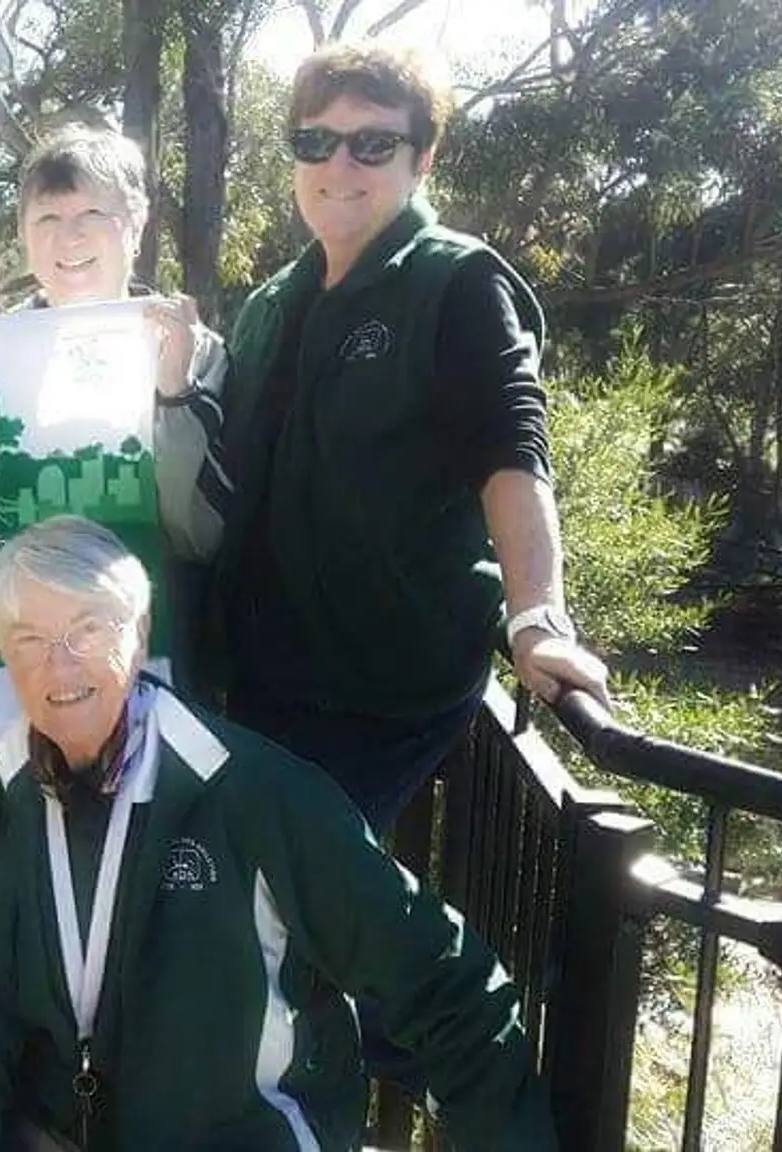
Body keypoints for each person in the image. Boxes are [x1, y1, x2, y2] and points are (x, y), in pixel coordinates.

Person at [0, 516, 557, 1150]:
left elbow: (448, 984)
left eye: (87, 629)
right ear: (2, 657)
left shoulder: (251, 792)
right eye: (30, 641)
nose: (61, 665)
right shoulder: (8, 796)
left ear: (140, 632)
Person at [206, 42, 609, 831]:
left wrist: (537, 617)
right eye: (316, 141)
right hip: (261, 680)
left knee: (291, 903)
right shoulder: (270, 305)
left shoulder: (457, 281)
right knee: (247, 911)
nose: (340, 164)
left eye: (373, 143)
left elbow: (512, 449)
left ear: (423, 156)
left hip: (379, 696)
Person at [15, 123, 229, 565]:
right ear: (23, 234)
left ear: (136, 223)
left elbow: (207, 534)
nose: (69, 236)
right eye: (47, 218)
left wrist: (176, 395)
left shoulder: (197, 352)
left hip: (157, 615)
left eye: (92, 215)